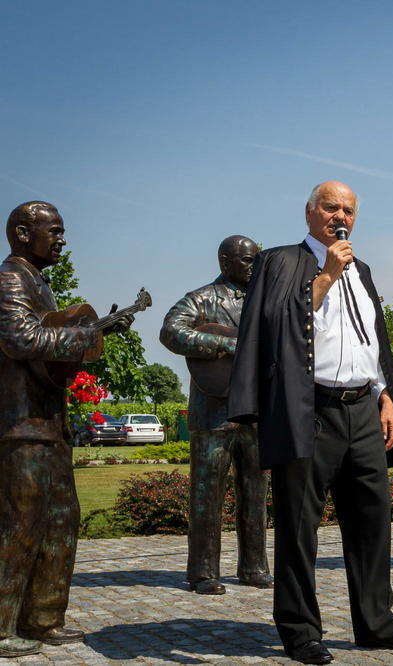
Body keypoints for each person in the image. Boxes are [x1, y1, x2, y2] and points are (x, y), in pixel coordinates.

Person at [227, 181, 393, 664]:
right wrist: (325, 277)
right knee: (300, 525)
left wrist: (384, 395)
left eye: (348, 210)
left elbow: (371, 341)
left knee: (372, 521)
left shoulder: (363, 270)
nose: (340, 216)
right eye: (330, 207)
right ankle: (300, 632)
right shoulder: (280, 261)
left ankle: (377, 625)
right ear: (309, 212)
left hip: (362, 409)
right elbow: (275, 326)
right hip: (309, 408)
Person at [0, 201, 132, 658]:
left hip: (48, 425)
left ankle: (42, 618)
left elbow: (49, 344)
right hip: (20, 425)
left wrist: (100, 332)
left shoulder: (38, 281)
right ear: (22, 233)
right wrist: (89, 335)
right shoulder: (10, 279)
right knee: (20, 525)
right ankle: (2, 626)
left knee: (61, 520)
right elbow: (20, 339)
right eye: (54, 231)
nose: (61, 240)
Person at [160, 235, 272, 595]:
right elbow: (170, 332)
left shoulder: (265, 298)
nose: (254, 267)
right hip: (213, 412)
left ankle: (254, 566)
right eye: (248, 260)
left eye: (257, 260)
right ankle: (203, 571)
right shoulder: (201, 298)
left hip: (254, 410)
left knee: (255, 492)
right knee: (207, 496)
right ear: (226, 261)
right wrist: (225, 344)